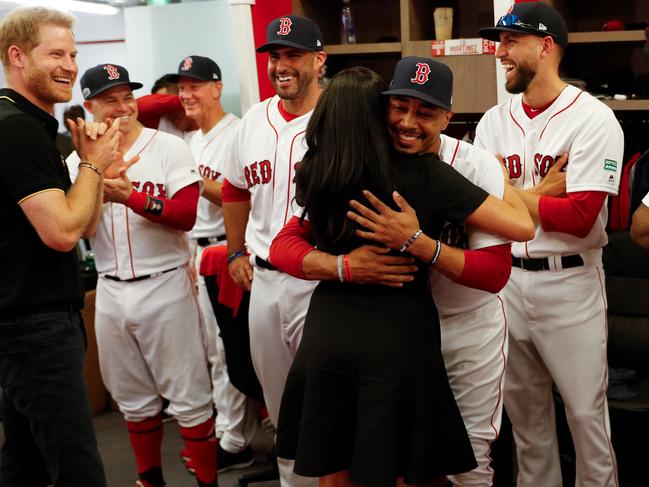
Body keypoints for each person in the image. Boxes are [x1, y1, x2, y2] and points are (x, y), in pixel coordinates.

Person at [270, 56, 566, 486]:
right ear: (380, 109)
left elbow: (495, 272)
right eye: (399, 107)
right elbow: (283, 245)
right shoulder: (395, 165)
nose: (408, 121)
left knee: (456, 462)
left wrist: (417, 242)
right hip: (400, 333)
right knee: (399, 463)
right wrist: (346, 266)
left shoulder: (467, 163)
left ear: (448, 117)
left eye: (424, 112)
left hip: (457, 325)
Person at [476, 2, 623, 486]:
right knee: (527, 426)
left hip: (570, 283)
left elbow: (580, 219)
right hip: (508, 282)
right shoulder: (491, 123)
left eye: (511, 41)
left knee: (585, 418)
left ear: (546, 46)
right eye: (500, 42)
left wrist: (507, 195)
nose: (500, 52)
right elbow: (478, 208)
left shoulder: (594, 120)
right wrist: (536, 195)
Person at [67, 63, 217, 487]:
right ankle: (150, 480)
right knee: (133, 401)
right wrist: (96, 183)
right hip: (112, 289)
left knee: (189, 398)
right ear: (90, 106)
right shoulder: (77, 160)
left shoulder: (169, 148)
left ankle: (208, 482)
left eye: (127, 96)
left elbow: (187, 216)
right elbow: (81, 228)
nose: (122, 107)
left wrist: (131, 196)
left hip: (165, 282)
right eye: (110, 100)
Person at [0, 6, 121, 486]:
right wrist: (91, 165)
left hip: (36, 322)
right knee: (77, 468)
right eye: (55, 53)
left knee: (25, 465)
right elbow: (62, 232)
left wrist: (97, 169)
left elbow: (86, 225)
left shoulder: (34, 126)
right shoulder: (16, 129)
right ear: (17, 56)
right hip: (34, 328)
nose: (70, 65)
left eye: (73, 54)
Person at [220, 14, 326, 487]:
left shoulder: (341, 117)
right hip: (264, 278)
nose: (281, 65)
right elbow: (235, 189)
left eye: (293, 55)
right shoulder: (251, 121)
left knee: (325, 400)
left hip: (321, 281)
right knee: (280, 404)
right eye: (275, 56)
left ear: (319, 60)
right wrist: (234, 252)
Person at [175, 54, 257, 471]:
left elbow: (238, 195)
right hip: (196, 249)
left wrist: (191, 181)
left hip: (228, 248)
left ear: (217, 88)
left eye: (195, 86)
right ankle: (227, 429)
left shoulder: (238, 132)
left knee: (229, 348)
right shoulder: (191, 140)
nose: (186, 94)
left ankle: (234, 439)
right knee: (211, 348)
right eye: (182, 87)